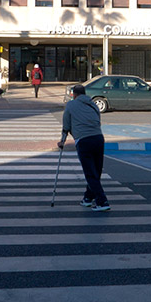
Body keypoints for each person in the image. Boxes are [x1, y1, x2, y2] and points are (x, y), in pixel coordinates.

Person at [58, 84, 110, 212]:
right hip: (98, 138)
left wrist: (62, 141)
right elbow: (97, 121)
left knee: (90, 173)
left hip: (83, 141)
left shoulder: (70, 105)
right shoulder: (93, 104)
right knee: (96, 171)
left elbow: (66, 126)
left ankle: (102, 201)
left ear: (74, 95)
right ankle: (87, 198)